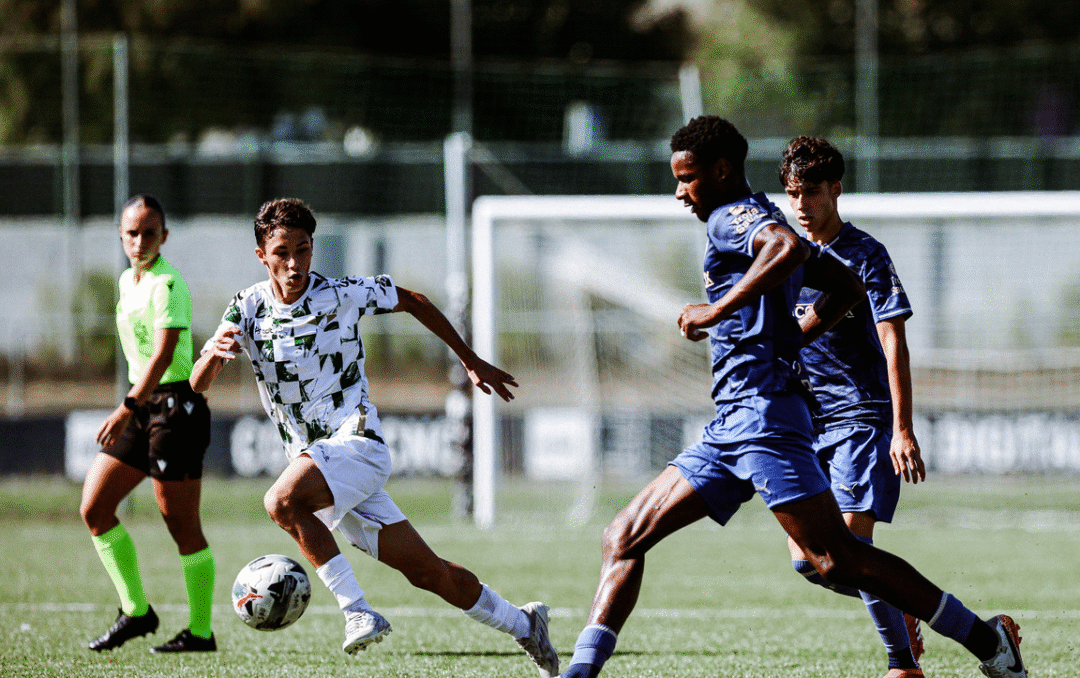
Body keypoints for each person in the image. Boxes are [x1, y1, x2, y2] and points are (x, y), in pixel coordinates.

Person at [559, 116, 1028, 678]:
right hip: (733, 423)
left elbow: (786, 250)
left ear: (721, 171)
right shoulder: (767, 220)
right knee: (625, 535)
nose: (680, 192)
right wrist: (787, 337)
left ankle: (984, 640)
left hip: (769, 419)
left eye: (687, 179)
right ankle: (579, 674)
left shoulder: (732, 219)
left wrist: (715, 310)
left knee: (838, 559)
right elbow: (846, 288)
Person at [189, 198, 558, 676]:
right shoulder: (246, 306)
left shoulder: (341, 293)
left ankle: (356, 609)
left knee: (281, 501)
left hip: (357, 443)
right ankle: (525, 623)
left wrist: (469, 358)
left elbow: (414, 300)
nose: (295, 263)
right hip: (317, 460)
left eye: (303, 249)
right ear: (262, 254)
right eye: (282, 252)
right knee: (428, 573)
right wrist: (212, 357)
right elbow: (196, 385)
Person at [779, 136, 926, 677]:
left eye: (811, 191)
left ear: (836, 190)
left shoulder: (866, 255)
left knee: (851, 547)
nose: (800, 203)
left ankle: (902, 664)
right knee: (808, 561)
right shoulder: (785, 256)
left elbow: (894, 341)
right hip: (806, 425)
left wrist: (902, 428)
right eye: (792, 192)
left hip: (862, 417)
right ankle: (905, 603)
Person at [80, 194, 217, 653]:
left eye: (149, 233)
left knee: (181, 525)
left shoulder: (168, 284)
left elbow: (162, 353)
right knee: (95, 509)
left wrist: (126, 407)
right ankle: (137, 612)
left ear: (164, 236)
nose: (140, 241)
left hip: (175, 408)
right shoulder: (126, 280)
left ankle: (200, 632)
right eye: (131, 232)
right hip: (143, 404)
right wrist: (135, 405)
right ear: (121, 234)